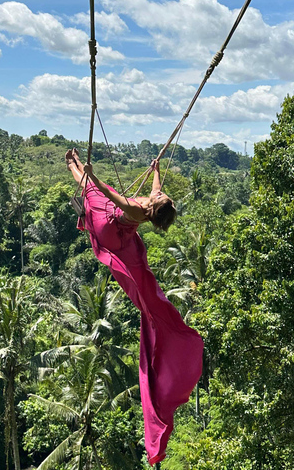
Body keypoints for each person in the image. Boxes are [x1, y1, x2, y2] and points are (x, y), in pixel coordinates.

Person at [65, 148, 203, 466]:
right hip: (122, 232)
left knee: (91, 191)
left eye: (161, 194)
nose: (160, 191)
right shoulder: (155, 202)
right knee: (90, 187)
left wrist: (91, 172)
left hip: (111, 232)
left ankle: (73, 165)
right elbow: (156, 188)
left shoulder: (141, 212)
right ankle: (72, 164)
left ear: (153, 210)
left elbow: (115, 200)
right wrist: (155, 169)